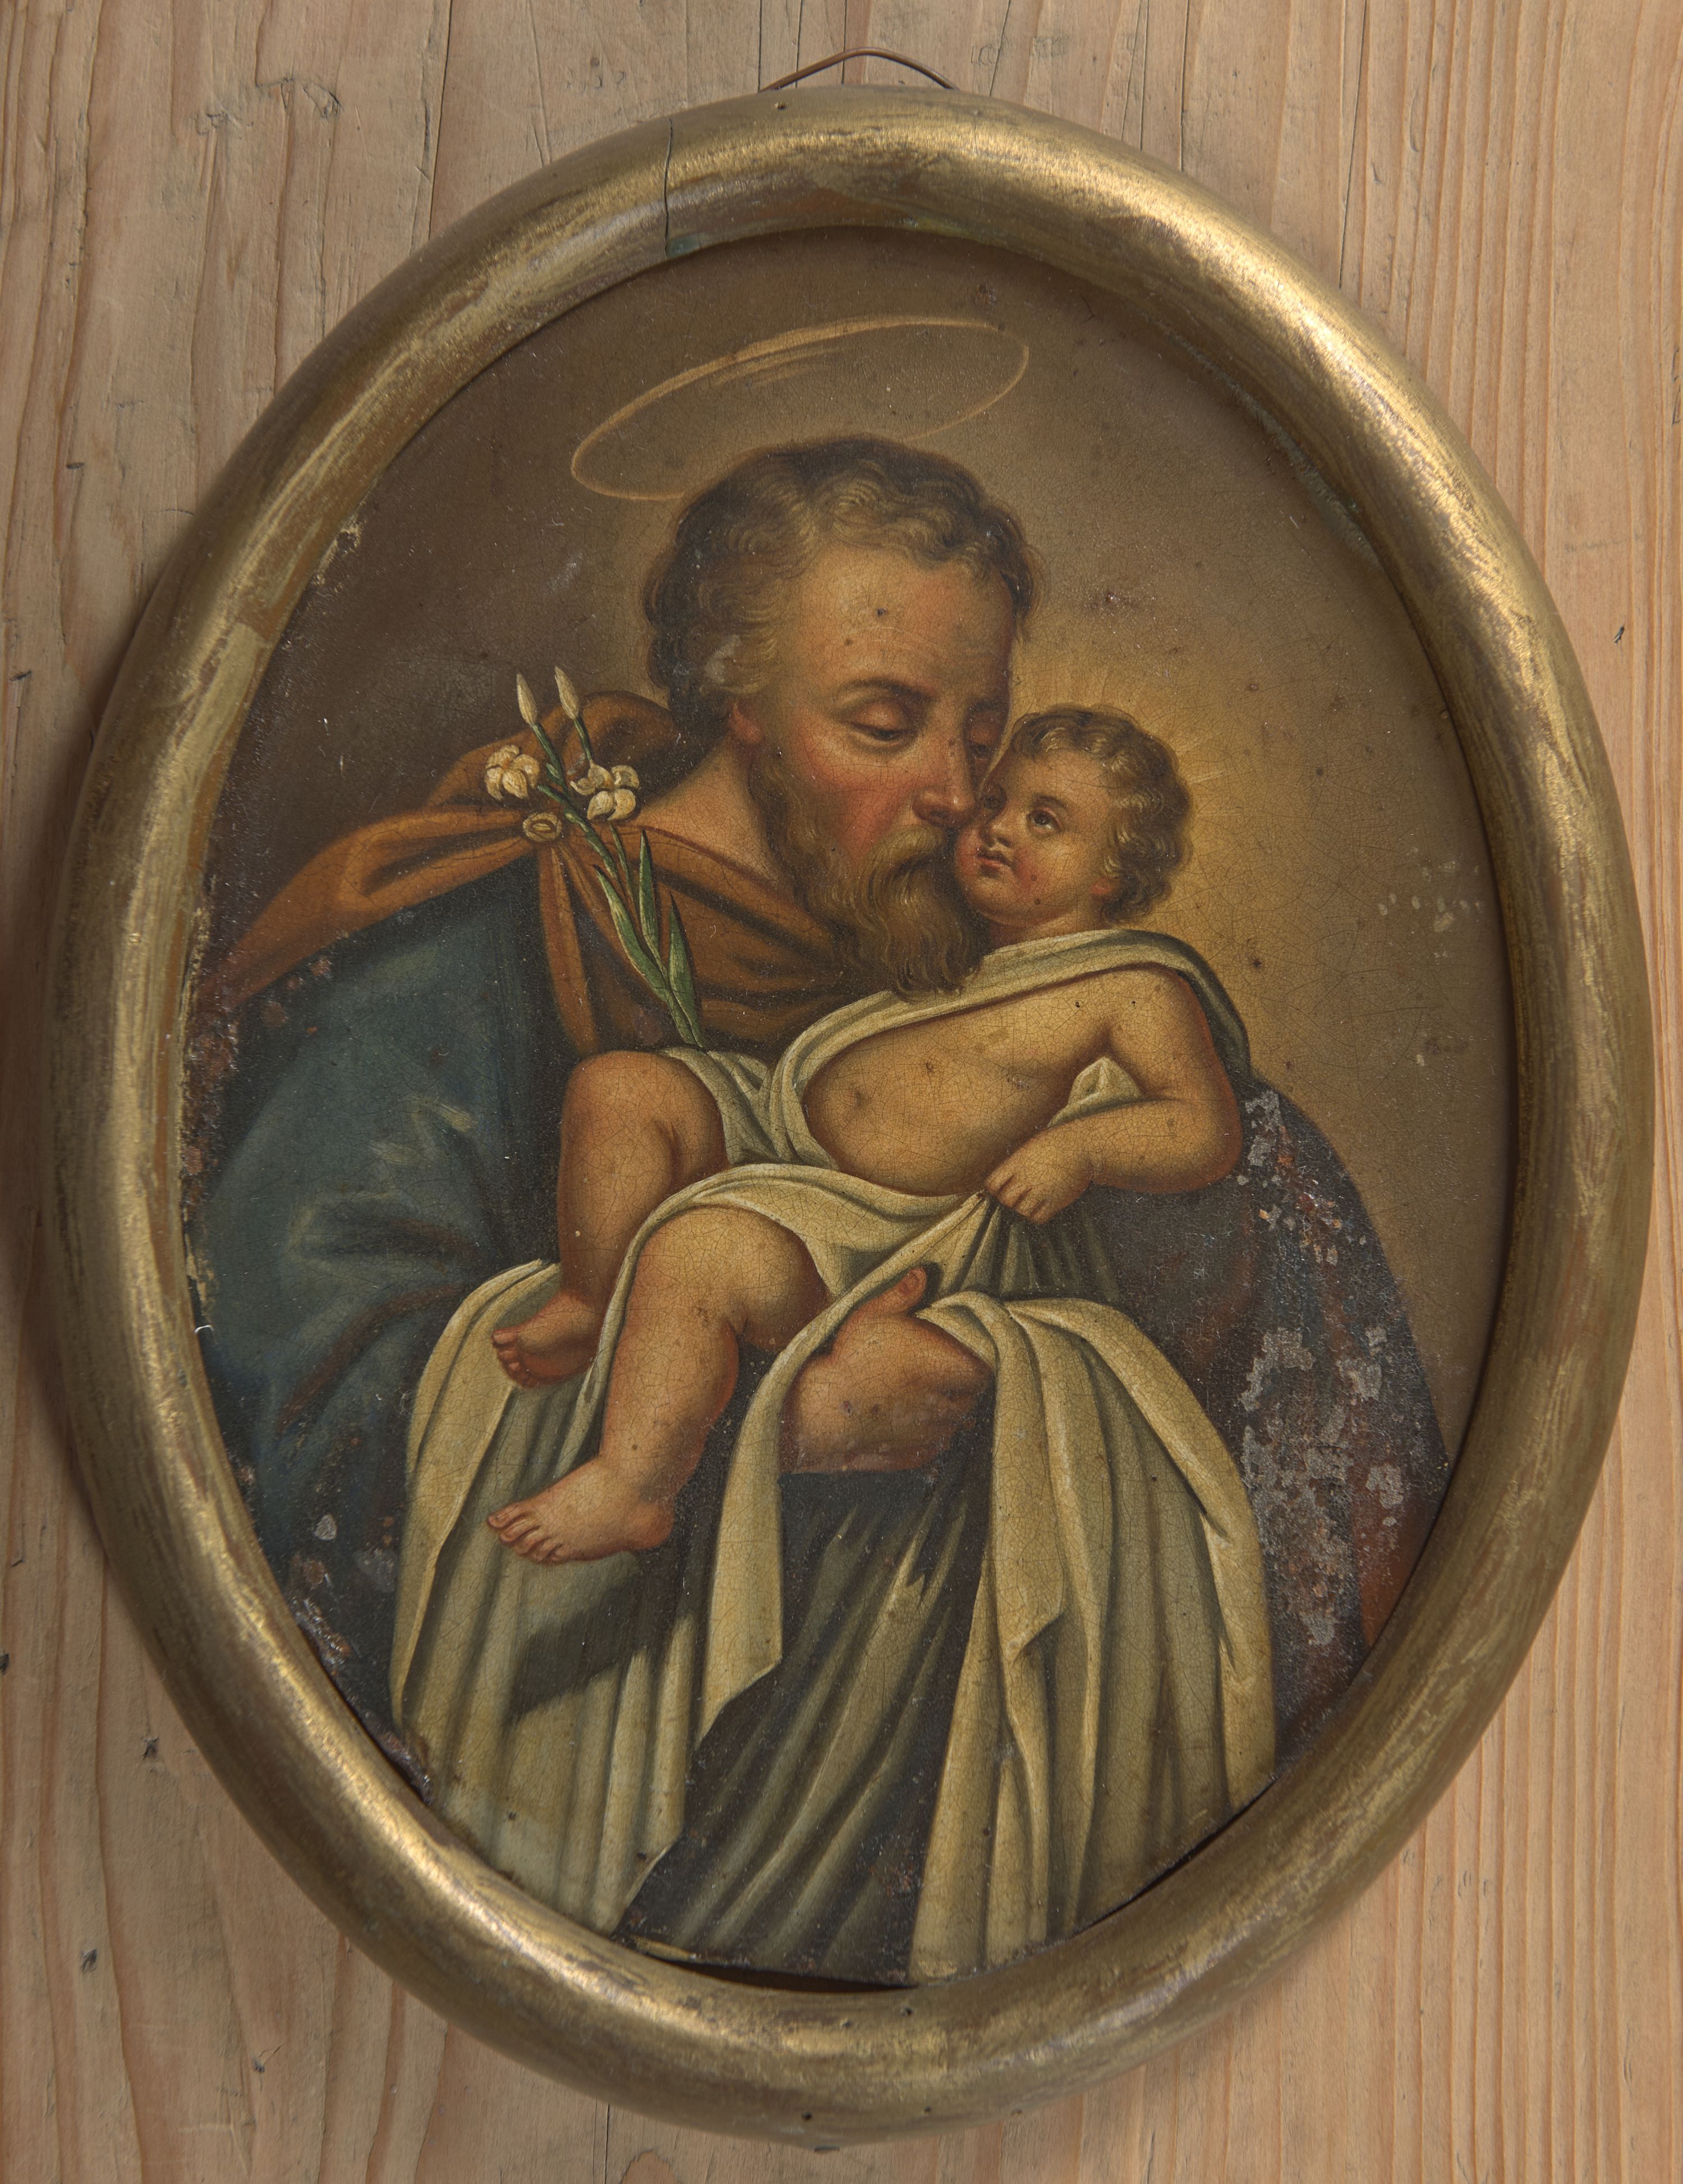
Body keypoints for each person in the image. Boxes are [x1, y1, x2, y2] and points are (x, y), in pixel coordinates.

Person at [190, 437, 1450, 1970]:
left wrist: (1041, 1376)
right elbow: (283, 1409)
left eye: (982, 734)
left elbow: (1272, 1357)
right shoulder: (460, 957)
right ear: (740, 707)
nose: (960, 795)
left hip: (923, 1845)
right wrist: (760, 1429)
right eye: (885, 724)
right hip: (603, 1841)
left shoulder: (958, 967)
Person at [483, 709, 1241, 1572]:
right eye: (996, 802)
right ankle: (590, 1299)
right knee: (619, 1088)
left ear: (1112, 871)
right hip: (780, 1143)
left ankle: (635, 1485)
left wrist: (1080, 1150)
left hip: (877, 1243)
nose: (998, 828)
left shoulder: (1133, 985)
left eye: (1046, 820)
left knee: (701, 1253)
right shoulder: (958, 954)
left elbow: (1203, 1126)